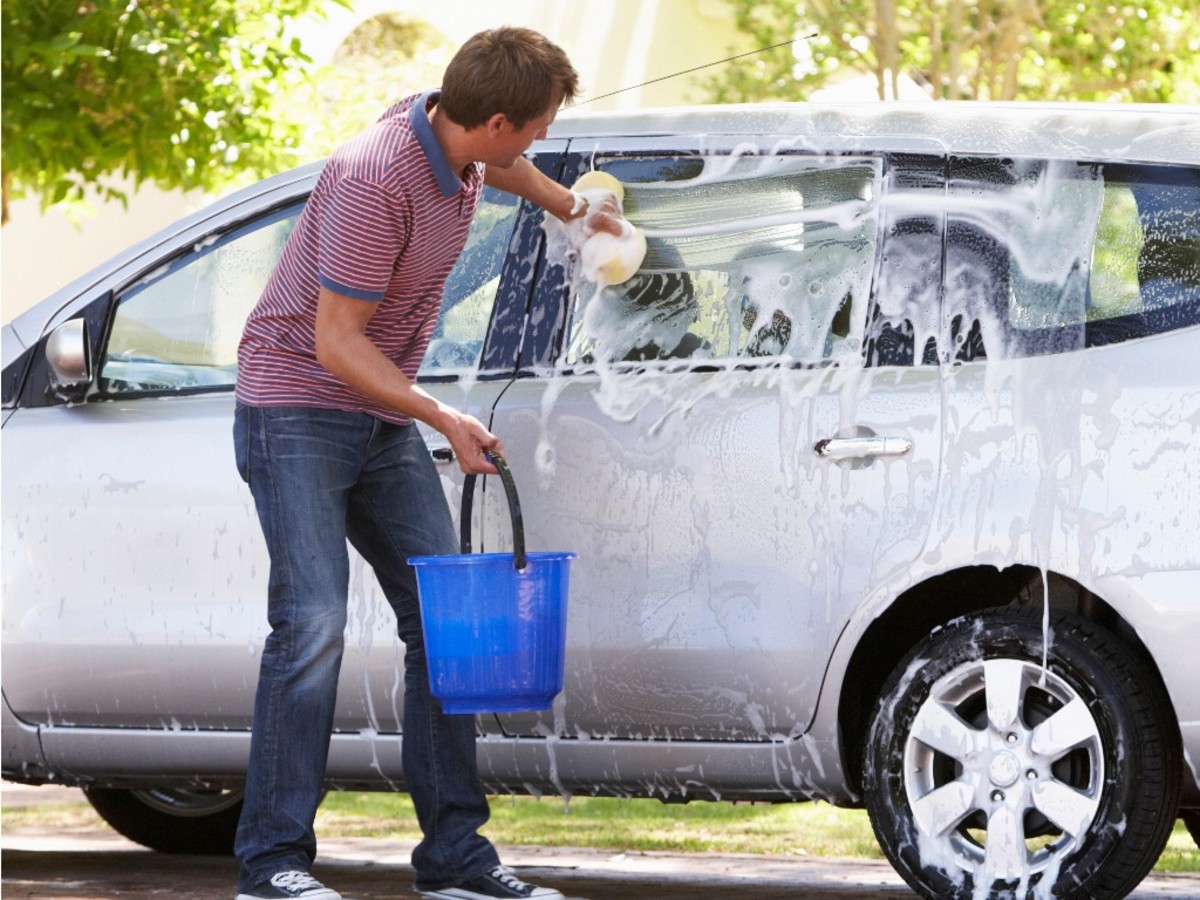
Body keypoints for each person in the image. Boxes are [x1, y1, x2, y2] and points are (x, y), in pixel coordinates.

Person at [231, 27, 610, 900]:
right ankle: (272, 864)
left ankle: (455, 863)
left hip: (374, 413)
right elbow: (334, 343)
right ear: (498, 118)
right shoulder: (376, 178)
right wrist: (441, 414)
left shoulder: (457, 143)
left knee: (447, 629)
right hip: (297, 406)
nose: (544, 139)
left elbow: (504, 168)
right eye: (540, 124)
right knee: (312, 625)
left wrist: (570, 207)